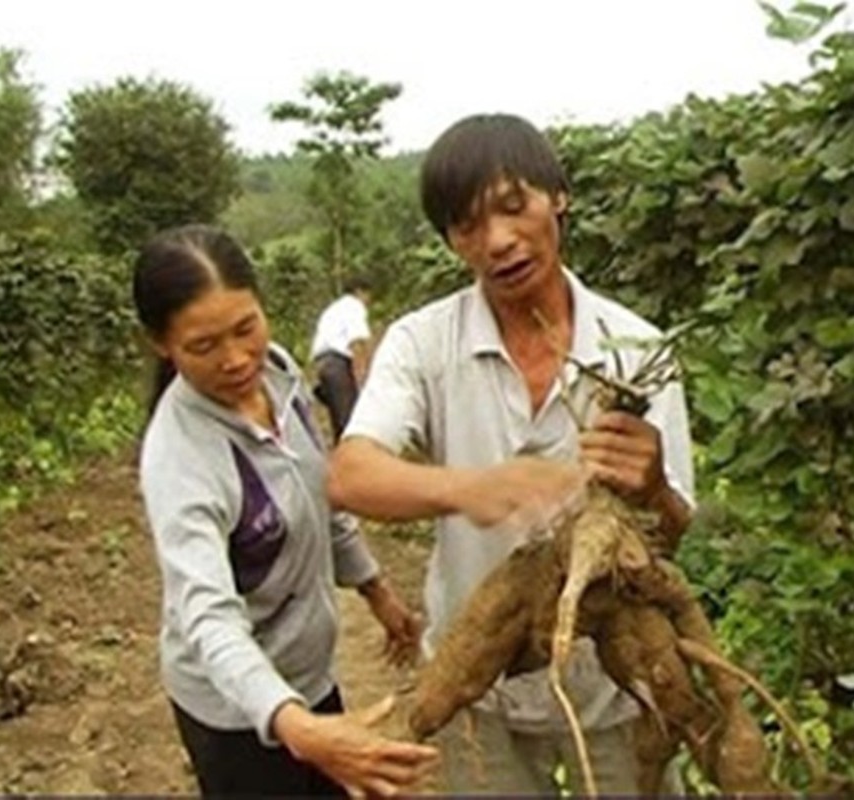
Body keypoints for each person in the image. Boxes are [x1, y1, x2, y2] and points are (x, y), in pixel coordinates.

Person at [328, 113, 694, 795]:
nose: (497, 240)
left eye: (513, 206)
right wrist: (471, 488)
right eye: (467, 226)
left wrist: (654, 491)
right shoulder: (422, 342)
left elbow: (675, 532)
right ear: (451, 241)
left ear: (558, 195)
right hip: (476, 682)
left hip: (614, 679)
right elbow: (350, 474)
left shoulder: (637, 351)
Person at [132, 224, 438, 798]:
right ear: (160, 343)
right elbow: (206, 615)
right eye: (203, 346)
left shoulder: (280, 375)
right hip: (236, 710)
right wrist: (295, 727)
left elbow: (318, 493)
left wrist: (376, 590)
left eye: (245, 328)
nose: (235, 359)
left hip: (308, 678)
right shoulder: (181, 456)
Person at [310, 275, 374, 441]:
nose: (368, 301)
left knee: (339, 421)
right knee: (351, 422)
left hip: (323, 365)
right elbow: (357, 341)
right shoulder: (354, 306)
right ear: (360, 292)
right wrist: (362, 376)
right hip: (338, 365)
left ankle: (342, 459)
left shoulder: (333, 309)